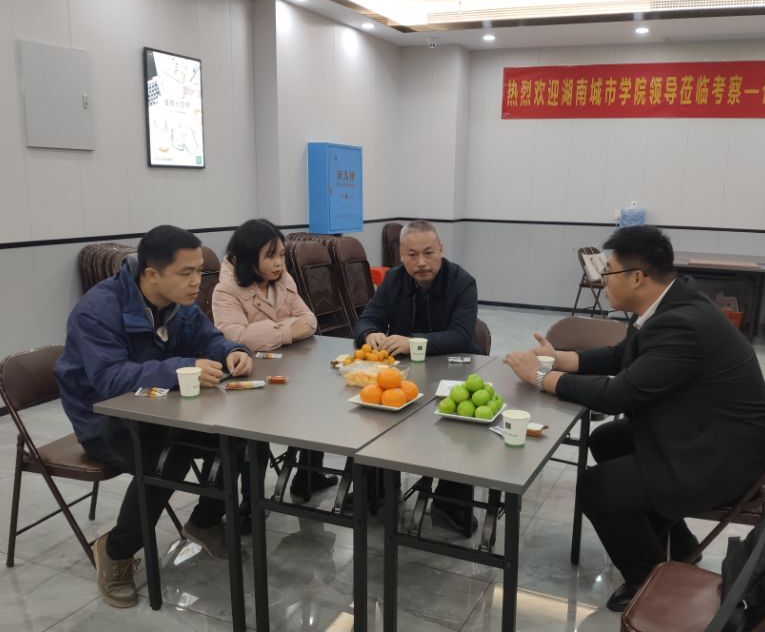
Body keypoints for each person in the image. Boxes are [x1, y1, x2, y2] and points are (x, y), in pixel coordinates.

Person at [504, 225, 765, 612]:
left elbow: (618, 393)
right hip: (705, 431)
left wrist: (541, 378)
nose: (602, 280)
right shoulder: (669, 303)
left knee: (597, 489)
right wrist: (557, 358)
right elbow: (621, 356)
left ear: (637, 277)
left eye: (608, 271)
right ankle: (680, 546)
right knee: (606, 440)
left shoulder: (683, 323)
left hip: (721, 456)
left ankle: (649, 582)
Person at [55, 225, 253, 609]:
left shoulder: (179, 304)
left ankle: (205, 521)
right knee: (169, 455)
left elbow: (209, 339)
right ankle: (115, 551)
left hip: (160, 410)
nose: (197, 282)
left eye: (199, 271)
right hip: (102, 419)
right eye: (186, 273)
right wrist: (182, 367)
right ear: (151, 274)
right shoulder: (98, 311)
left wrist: (233, 351)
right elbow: (110, 380)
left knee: (236, 434)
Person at [354, 220, 482, 535]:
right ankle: (377, 490)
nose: (421, 262)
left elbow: (462, 335)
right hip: (404, 376)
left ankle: (449, 502)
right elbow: (368, 317)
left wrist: (413, 343)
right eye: (412, 255)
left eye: (429, 253)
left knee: (456, 425)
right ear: (401, 255)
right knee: (375, 414)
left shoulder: (462, 282)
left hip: (453, 371)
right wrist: (370, 333)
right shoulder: (394, 280)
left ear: (441, 250)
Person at [211, 218, 336, 504]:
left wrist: (272, 332)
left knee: (316, 400)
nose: (279, 263)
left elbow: (309, 321)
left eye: (281, 254)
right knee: (253, 431)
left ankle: (308, 477)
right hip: (249, 378)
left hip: (286, 367)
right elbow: (237, 337)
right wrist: (286, 330)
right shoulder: (226, 290)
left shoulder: (283, 280)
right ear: (247, 256)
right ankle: (250, 503)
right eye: (270, 256)